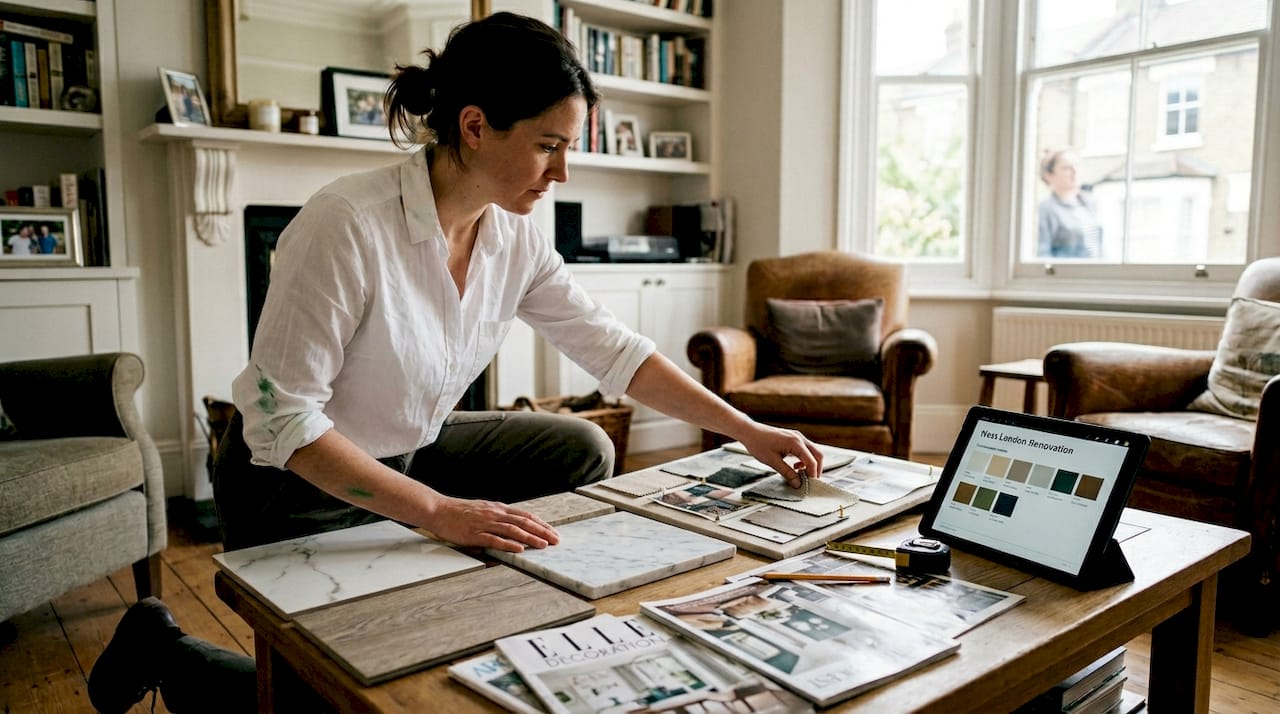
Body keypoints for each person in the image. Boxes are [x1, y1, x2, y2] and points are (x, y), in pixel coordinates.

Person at [89, 12, 821, 713]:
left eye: (569, 147)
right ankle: (165, 650)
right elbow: (283, 424)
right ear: (474, 127)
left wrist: (747, 430)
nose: (563, 172)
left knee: (581, 445)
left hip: (413, 450)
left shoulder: (516, 238)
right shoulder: (344, 225)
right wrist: (440, 516)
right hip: (295, 483)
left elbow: (616, 353)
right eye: (547, 145)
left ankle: (501, 612)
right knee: (338, 705)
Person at [1037, 148, 1102, 258]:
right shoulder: (1046, 209)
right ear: (1049, 175)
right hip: (1067, 273)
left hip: (1094, 272)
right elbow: (1043, 255)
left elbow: (1098, 247)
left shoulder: (1089, 203)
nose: (1074, 171)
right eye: (1067, 168)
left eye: (1076, 165)